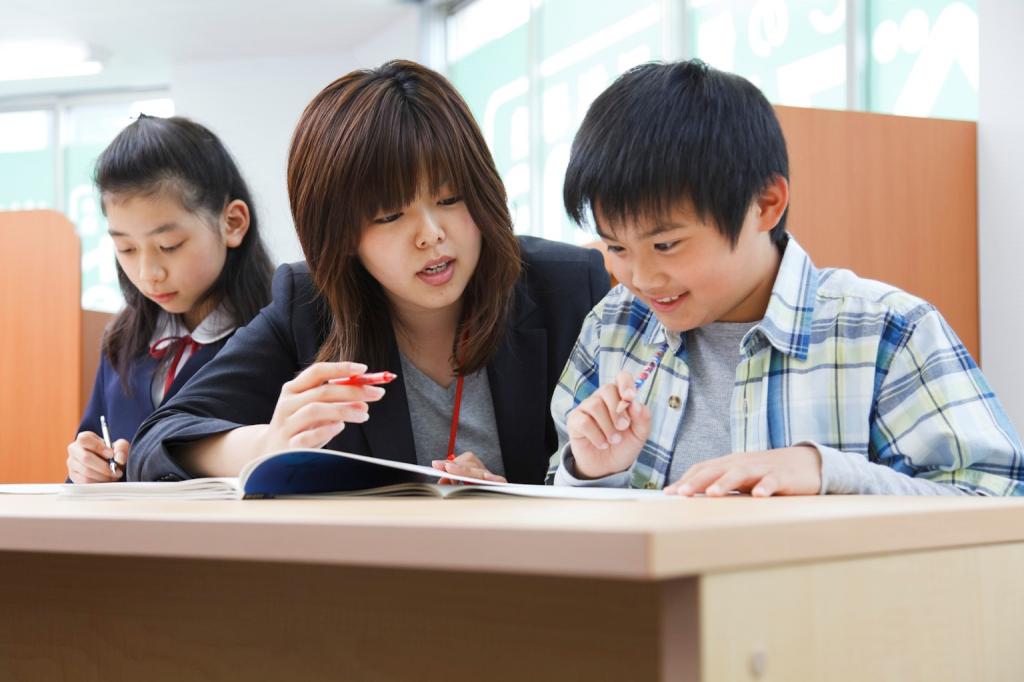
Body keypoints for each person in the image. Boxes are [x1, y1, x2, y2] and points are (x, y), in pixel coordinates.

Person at [548, 59, 1024, 496]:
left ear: (766, 204)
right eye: (616, 248)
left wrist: (827, 473)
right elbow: (554, 505)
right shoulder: (614, 327)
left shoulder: (887, 331)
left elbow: (999, 501)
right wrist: (590, 472)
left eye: (665, 245)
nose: (643, 278)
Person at [127, 60, 609, 484]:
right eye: (390, 216)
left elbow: (634, 474)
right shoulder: (309, 308)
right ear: (341, 236)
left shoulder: (569, 288)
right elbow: (156, 441)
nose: (431, 234)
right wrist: (267, 445)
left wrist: (514, 503)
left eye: (449, 199)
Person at [67, 115, 274, 483]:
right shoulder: (122, 342)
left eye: (169, 246)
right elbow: (93, 454)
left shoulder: (278, 333)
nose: (148, 273)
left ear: (233, 223)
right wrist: (86, 468)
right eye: (126, 248)